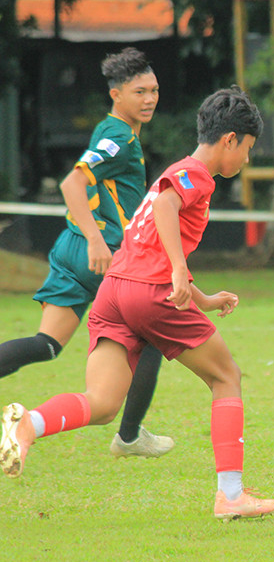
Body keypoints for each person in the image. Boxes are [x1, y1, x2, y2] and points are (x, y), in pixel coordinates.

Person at [1, 86, 274, 520]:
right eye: (247, 149)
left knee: (103, 402)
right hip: (150, 291)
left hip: (115, 290)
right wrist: (173, 269)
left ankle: (27, 425)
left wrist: (202, 298)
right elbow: (168, 209)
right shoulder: (196, 173)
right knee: (227, 378)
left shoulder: (177, 171)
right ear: (229, 140)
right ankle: (231, 495)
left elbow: (151, 237)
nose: (246, 160)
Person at [0, 47, 172, 459]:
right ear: (116, 95)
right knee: (151, 339)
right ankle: (129, 436)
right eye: (139, 92)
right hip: (105, 254)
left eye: (154, 90)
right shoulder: (119, 138)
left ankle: (128, 434)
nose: (149, 99)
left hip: (70, 248)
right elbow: (71, 185)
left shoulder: (110, 129)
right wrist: (98, 240)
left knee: (47, 344)